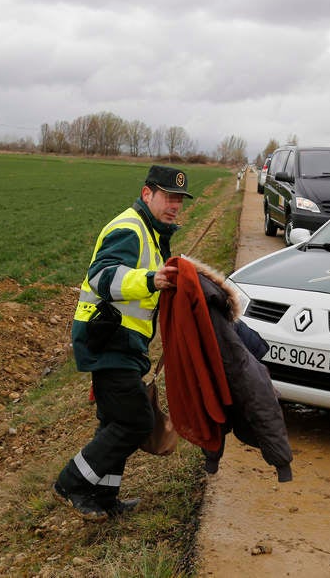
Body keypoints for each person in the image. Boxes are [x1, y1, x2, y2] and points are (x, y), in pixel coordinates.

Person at [53, 164, 192, 521]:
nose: (174, 206)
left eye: (179, 200)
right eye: (168, 197)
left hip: (126, 343)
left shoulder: (153, 233)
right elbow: (101, 276)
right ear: (148, 194)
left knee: (114, 421)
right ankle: (72, 483)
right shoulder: (130, 228)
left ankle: (104, 498)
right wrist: (151, 279)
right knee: (135, 421)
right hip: (107, 339)